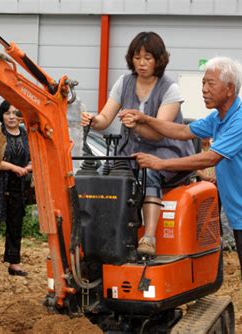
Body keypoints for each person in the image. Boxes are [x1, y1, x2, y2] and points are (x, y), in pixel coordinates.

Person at [122, 56, 242, 334]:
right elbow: (184, 130)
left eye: (210, 83)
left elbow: (209, 158)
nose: (204, 89)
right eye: (203, 83)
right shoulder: (219, 118)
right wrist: (145, 118)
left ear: (230, 89)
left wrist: (160, 163)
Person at [80, 31, 195, 256]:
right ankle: (108, 235)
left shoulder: (170, 89)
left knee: (149, 171)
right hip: (132, 151)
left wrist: (137, 125)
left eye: (148, 58)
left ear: (159, 60)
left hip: (168, 151)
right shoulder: (124, 82)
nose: (141, 63)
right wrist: (93, 120)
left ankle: (149, 237)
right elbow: (105, 119)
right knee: (107, 176)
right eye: (137, 57)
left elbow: (159, 133)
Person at [0, 100, 32, 277]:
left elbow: (33, 157)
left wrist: (28, 167)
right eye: (7, 113)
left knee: (15, 223)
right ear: (2, 115)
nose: (11, 117)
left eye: (15, 113)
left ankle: (14, 262)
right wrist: (13, 167)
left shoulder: (25, 134)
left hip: (18, 184)